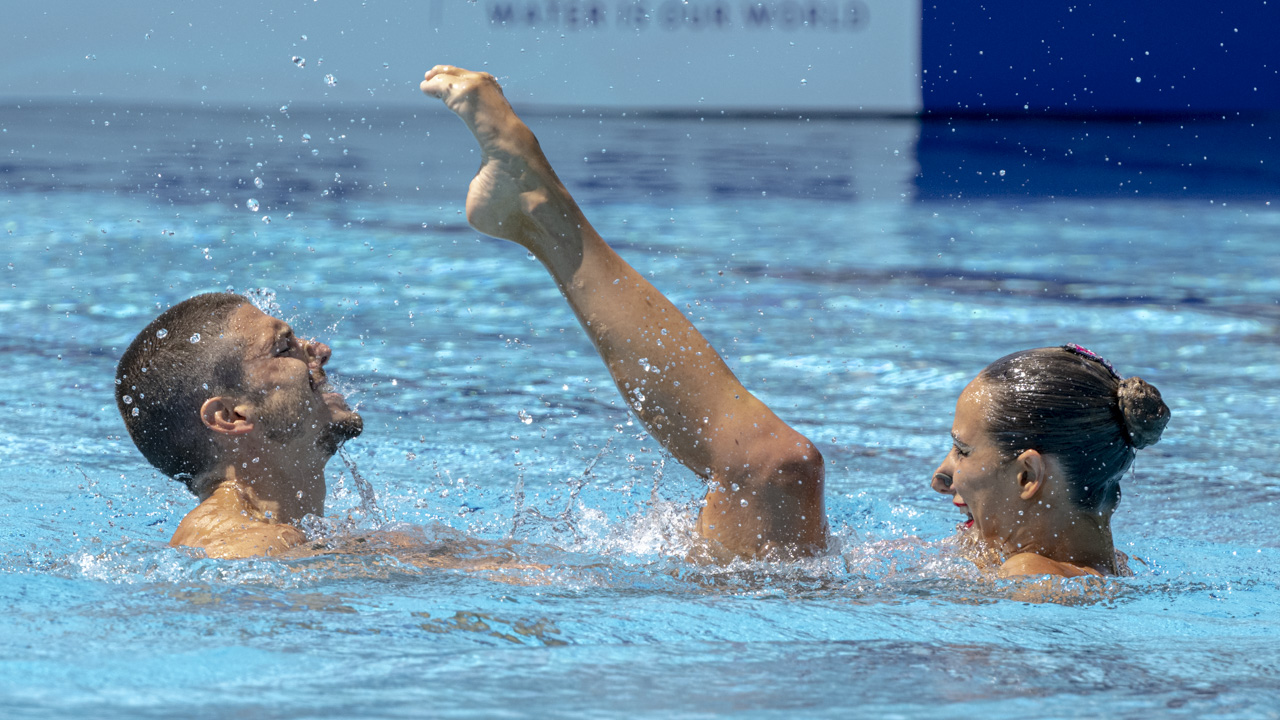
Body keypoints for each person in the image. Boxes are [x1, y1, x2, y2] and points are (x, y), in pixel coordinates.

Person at [115, 65, 1169, 576]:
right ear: (230, 419)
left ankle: (543, 217)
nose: (319, 349)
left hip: (721, 625)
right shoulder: (238, 563)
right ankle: (542, 218)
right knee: (773, 465)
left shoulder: (310, 538)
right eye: (284, 350)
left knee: (774, 468)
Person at [931, 345, 1170, 577]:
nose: (939, 479)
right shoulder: (1120, 566)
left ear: (1028, 475)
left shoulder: (1028, 575)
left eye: (962, 451)